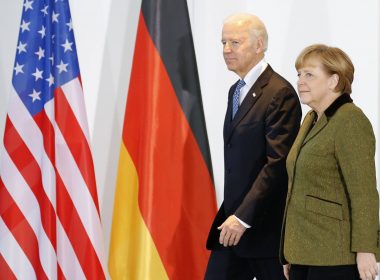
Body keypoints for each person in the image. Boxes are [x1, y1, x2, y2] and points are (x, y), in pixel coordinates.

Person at [205, 13, 302, 280]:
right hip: (232, 224)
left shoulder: (278, 92)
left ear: (259, 45)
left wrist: (243, 218)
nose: (226, 50)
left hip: (263, 230)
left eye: (234, 42)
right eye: (223, 42)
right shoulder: (236, 90)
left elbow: (277, 163)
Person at [281, 44, 380, 280]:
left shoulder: (350, 120)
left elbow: (364, 192)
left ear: (333, 81)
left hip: (336, 255)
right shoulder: (311, 119)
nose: (300, 81)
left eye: (309, 74)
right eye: (299, 74)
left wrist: (366, 250)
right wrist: (291, 252)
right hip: (304, 252)